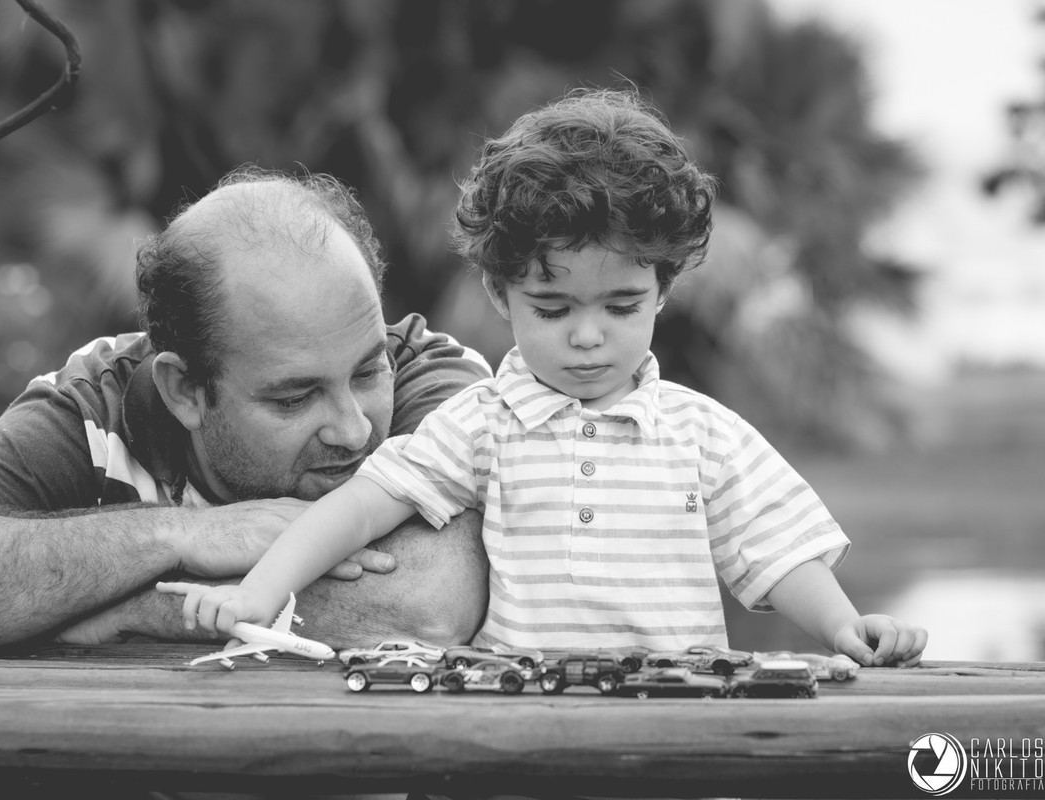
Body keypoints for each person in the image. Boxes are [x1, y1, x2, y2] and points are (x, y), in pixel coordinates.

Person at [158, 89, 928, 669]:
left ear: (662, 289)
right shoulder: (483, 424)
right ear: (500, 293)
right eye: (553, 307)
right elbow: (359, 509)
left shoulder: (701, 434)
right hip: (517, 727)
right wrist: (259, 593)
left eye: (621, 305)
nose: (588, 337)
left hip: (679, 723)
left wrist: (841, 627)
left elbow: (775, 550)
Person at [0, 166, 493, 652]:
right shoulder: (97, 402)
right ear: (184, 390)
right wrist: (180, 534)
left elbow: (422, 610)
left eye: (367, 370)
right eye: (295, 396)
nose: (353, 427)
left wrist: (128, 613)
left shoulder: (437, 382)